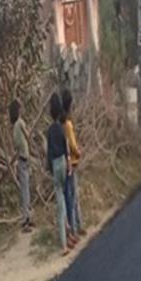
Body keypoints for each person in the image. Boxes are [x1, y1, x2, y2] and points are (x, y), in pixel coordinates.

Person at [47, 90, 72, 255]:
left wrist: (49, 168)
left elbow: (49, 152)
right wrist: (69, 165)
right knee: (63, 195)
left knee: (59, 203)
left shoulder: (50, 131)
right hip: (64, 161)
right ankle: (68, 227)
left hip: (56, 164)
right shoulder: (62, 128)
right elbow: (66, 147)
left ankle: (63, 244)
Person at [61, 88, 83, 239]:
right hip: (72, 162)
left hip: (66, 162)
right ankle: (76, 227)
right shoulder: (68, 124)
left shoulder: (61, 123)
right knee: (73, 196)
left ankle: (75, 225)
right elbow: (72, 144)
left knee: (69, 195)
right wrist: (78, 152)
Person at [9, 99, 33, 232]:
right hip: (25, 159)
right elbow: (28, 136)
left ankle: (27, 217)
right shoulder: (21, 123)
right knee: (26, 191)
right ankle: (25, 220)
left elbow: (17, 147)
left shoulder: (14, 127)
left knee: (25, 190)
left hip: (21, 160)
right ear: (18, 110)